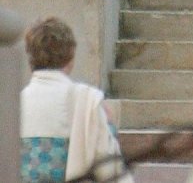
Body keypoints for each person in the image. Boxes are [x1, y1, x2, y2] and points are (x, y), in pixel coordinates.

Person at [20, 17, 127, 183]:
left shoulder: (11, 104)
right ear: (71, 58)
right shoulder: (86, 102)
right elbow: (110, 170)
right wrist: (110, 127)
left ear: (30, 59)